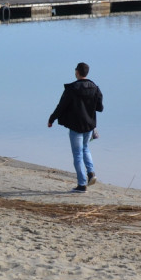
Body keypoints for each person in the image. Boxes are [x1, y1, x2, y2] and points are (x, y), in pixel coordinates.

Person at [47, 62, 103, 191]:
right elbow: (100, 107)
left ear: (77, 72)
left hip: (76, 126)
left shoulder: (72, 89)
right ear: (86, 73)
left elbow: (61, 106)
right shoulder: (95, 88)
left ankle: (82, 184)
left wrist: (51, 119)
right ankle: (91, 172)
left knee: (78, 154)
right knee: (85, 149)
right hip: (89, 125)